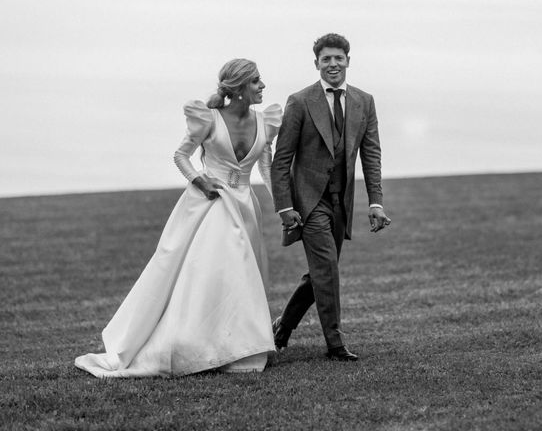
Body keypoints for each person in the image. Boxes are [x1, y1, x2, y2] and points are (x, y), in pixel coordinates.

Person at [74, 59, 282, 377]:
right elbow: (180, 155)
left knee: (239, 278)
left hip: (244, 207)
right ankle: (193, 344)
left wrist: (283, 204)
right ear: (240, 88)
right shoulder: (208, 118)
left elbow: (266, 167)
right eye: (256, 81)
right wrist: (199, 179)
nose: (262, 86)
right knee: (216, 271)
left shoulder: (266, 121)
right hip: (210, 205)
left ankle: (235, 348)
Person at [270, 33, 391, 361]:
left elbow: (371, 154)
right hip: (309, 202)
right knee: (327, 271)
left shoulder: (364, 102)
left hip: (342, 201)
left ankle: (281, 328)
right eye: (327, 59)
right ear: (317, 64)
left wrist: (375, 202)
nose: (333, 64)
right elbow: (281, 159)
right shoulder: (300, 101)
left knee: (321, 272)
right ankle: (335, 344)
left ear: (348, 61)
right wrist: (284, 206)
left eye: (339, 58)